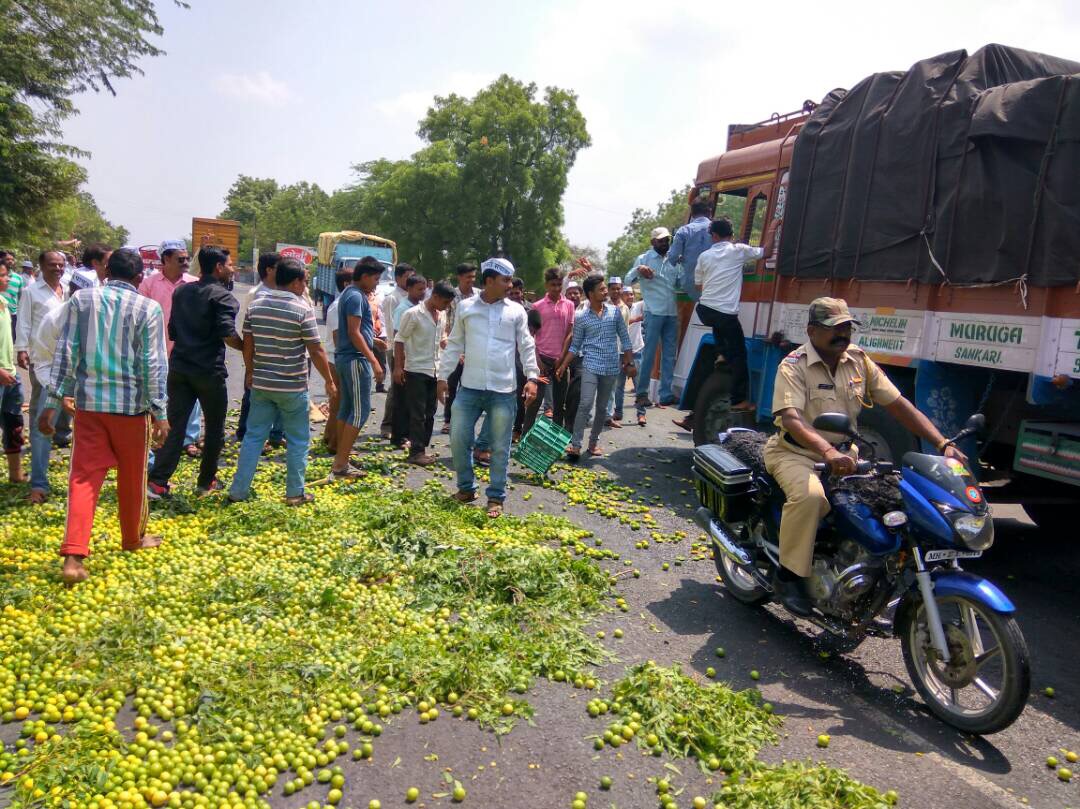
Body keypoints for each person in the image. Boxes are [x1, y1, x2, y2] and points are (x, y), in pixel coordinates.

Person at [766, 297, 967, 615]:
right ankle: (788, 577)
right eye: (834, 328)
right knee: (810, 498)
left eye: (847, 327)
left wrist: (942, 444)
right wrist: (827, 451)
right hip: (796, 454)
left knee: (891, 505)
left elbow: (900, 406)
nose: (843, 334)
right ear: (812, 331)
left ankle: (864, 575)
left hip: (847, 457)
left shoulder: (859, 361)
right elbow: (791, 419)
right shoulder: (793, 365)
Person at [39, 248, 169, 585]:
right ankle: (132, 539)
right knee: (133, 477)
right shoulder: (148, 308)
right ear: (139, 278)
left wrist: (52, 402)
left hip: (90, 408)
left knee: (83, 479)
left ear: (106, 271)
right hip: (131, 410)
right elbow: (153, 364)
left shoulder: (82, 300)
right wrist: (160, 412)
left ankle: (73, 556)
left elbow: (66, 352)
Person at [229, 258, 336, 506]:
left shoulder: (256, 306)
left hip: (262, 384)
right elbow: (316, 349)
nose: (305, 286)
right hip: (292, 386)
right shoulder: (302, 309)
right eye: (304, 281)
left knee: (254, 437)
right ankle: (295, 493)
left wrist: (249, 371)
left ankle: (238, 491)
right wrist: (329, 381)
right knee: (298, 440)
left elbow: (248, 343)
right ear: (296, 282)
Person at [437, 257, 538, 518]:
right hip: (469, 387)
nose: (510, 285)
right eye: (506, 280)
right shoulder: (466, 307)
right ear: (490, 281)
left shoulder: (516, 311)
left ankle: (495, 496)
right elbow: (455, 344)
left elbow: (526, 344)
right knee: (458, 438)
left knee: (500, 446)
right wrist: (442, 376)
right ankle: (466, 488)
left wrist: (532, 377)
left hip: (503, 390)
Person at [147, 247, 241, 498]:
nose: (232, 269)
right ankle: (206, 481)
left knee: (175, 425)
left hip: (179, 368)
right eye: (230, 265)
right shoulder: (223, 297)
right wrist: (247, 349)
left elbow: (172, 331)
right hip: (208, 372)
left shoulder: (182, 291)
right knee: (214, 428)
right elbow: (228, 333)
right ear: (218, 267)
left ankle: (157, 482)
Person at [557, 274, 634, 459]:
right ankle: (575, 445)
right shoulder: (581, 317)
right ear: (591, 294)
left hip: (611, 367)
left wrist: (630, 362)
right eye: (601, 289)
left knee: (602, 408)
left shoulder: (615, 312)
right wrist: (563, 365)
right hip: (590, 365)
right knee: (585, 403)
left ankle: (593, 443)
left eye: (605, 288)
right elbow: (575, 345)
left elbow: (625, 338)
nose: (606, 291)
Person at [15, 250, 71, 501]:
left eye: (61, 265)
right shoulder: (31, 291)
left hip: (68, 358)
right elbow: (24, 322)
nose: (58, 269)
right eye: (52, 265)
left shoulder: (69, 288)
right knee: (42, 410)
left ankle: (62, 436)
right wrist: (22, 349)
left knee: (64, 407)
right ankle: (39, 481)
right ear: (41, 266)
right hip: (43, 358)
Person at [139, 239, 202, 457]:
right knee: (156, 393)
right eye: (180, 259)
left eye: (187, 258)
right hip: (156, 349)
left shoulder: (194, 283)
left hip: (187, 350)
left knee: (191, 395)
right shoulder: (149, 284)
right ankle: (156, 435)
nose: (185, 262)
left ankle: (189, 439)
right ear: (166, 259)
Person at [694, 217, 763, 412]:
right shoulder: (738, 250)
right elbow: (764, 252)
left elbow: (698, 285)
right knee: (740, 354)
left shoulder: (704, 256)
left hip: (704, 310)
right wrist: (773, 228)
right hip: (725, 313)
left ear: (714, 236)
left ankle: (722, 354)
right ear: (731, 235)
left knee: (719, 324)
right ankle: (738, 400)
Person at [331, 257, 385, 480]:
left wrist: (373, 340)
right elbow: (354, 332)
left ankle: (340, 458)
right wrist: (374, 361)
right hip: (354, 359)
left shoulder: (350, 293)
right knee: (360, 411)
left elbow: (356, 330)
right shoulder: (355, 296)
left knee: (346, 408)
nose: (377, 284)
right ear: (364, 276)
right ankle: (341, 463)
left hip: (346, 358)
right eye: (375, 279)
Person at [394, 281, 454, 466]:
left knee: (431, 411)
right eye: (445, 302)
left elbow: (442, 338)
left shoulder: (442, 315)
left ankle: (421, 447)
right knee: (417, 413)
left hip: (434, 370)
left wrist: (452, 349)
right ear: (435, 296)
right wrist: (398, 367)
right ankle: (416, 452)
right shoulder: (413, 314)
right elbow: (399, 340)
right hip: (416, 369)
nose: (446, 306)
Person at [625, 226, 680, 412]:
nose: (665, 243)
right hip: (653, 311)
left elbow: (679, 283)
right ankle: (642, 393)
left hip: (671, 312)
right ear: (653, 242)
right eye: (661, 240)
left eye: (667, 240)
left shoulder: (673, 259)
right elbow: (627, 280)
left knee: (669, 355)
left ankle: (665, 394)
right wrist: (638, 270)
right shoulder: (644, 259)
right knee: (648, 354)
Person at [235, 253, 285, 447]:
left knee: (277, 395)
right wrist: (250, 360)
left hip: (277, 352)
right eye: (279, 267)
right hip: (259, 352)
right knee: (252, 393)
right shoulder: (257, 293)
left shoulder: (282, 290)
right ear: (269, 270)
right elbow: (248, 330)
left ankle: (275, 434)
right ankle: (244, 431)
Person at [528, 267, 576, 431]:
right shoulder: (537, 306)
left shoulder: (569, 305)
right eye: (553, 285)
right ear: (546, 285)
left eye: (559, 284)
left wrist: (562, 358)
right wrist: (537, 360)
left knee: (559, 404)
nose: (556, 288)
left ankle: (555, 439)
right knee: (534, 401)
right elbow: (530, 336)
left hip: (560, 362)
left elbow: (570, 333)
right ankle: (525, 437)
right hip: (541, 359)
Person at [388, 274, 428, 447]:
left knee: (410, 400)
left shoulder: (419, 307)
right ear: (409, 289)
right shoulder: (403, 309)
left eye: (424, 289)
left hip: (413, 359)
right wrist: (400, 364)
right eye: (419, 289)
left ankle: (407, 434)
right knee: (401, 400)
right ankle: (399, 436)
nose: (423, 292)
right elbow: (399, 337)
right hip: (402, 358)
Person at [440, 263, 478, 434]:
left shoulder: (479, 296)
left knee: (470, 386)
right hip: (455, 346)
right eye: (468, 277)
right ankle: (448, 420)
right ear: (460, 277)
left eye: (473, 277)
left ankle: (466, 421)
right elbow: (445, 323)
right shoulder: (452, 296)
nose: (471, 280)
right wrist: (449, 346)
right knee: (452, 385)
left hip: (474, 347)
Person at [380, 263, 415, 439]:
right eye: (407, 277)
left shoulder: (412, 297)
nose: (410, 280)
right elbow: (392, 327)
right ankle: (387, 425)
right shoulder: (393, 299)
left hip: (411, 348)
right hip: (395, 347)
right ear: (398, 278)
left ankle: (403, 426)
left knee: (408, 388)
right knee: (396, 387)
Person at [320, 267, 352, 452]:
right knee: (340, 404)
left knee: (337, 404)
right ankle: (335, 443)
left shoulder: (342, 304)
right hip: (338, 359)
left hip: (338, 358)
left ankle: (329, 436)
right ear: (347, 284)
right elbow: (338, 337)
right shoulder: (339, 306)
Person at [0, 263, 26, 483]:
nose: (7, 279)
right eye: (2, 276)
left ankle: (16, 474)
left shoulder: (4, 302)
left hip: (10, 374)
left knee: (14, 423)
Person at [609, 288, 644, 426]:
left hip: (635, 351)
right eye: (626, 294)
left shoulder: (638, 306)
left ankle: (641, 414)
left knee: (639, 385)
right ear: (620, 296)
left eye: (631, 294)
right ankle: (618, 412)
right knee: (619, 386)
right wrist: (636, 319)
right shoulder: (616, 309)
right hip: (620, 353)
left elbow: (649, 298)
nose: (630, 296)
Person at [669, 198, 713, 305]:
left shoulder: (683, 231)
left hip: (691, 286)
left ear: (692, 214)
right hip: (716, 283)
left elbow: (672, 258)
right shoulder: (718, 229)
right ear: (709, 212)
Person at [603, 276, 629, 427]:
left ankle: (607, 416)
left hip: (617, 352)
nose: (616, 291)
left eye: (618, 288)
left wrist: (626, 354)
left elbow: (625, 332)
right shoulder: (602, 305)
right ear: (608, 290)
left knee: (612, 385)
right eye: (613, 289)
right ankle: (588, 416)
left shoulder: (625, 308)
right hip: (601, 350)